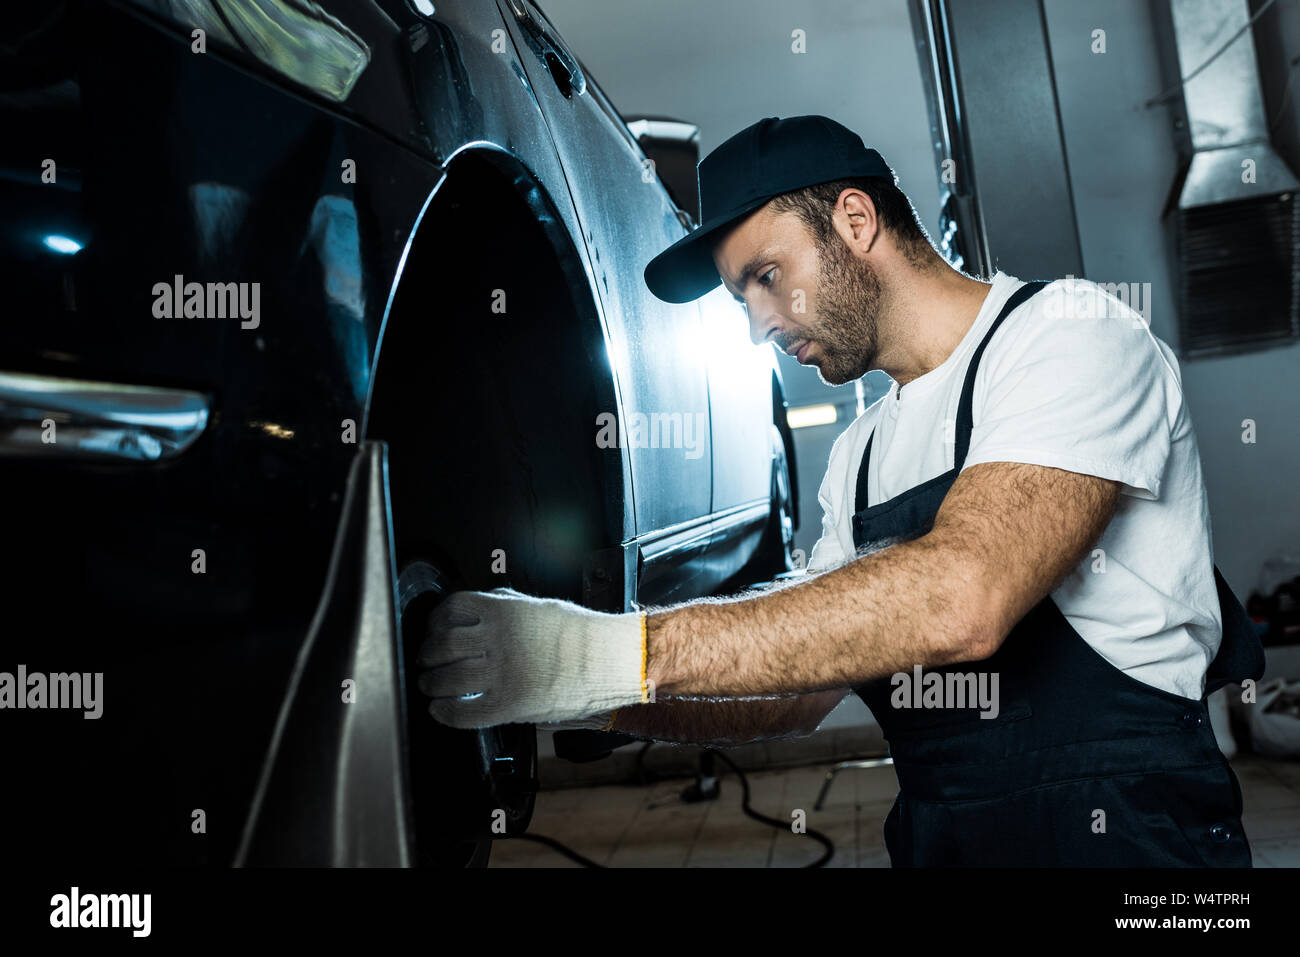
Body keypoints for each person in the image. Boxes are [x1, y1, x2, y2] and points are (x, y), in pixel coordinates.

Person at [417, 115, 1262, 866]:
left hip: (1131, 838)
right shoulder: (858, 455)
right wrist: (583, 692)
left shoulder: (1068, 336)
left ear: (856, 221)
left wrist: (600, 651)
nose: (758, 325)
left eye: (765, 276)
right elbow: (789, 692)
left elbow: (964, 596)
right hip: (943, 841)